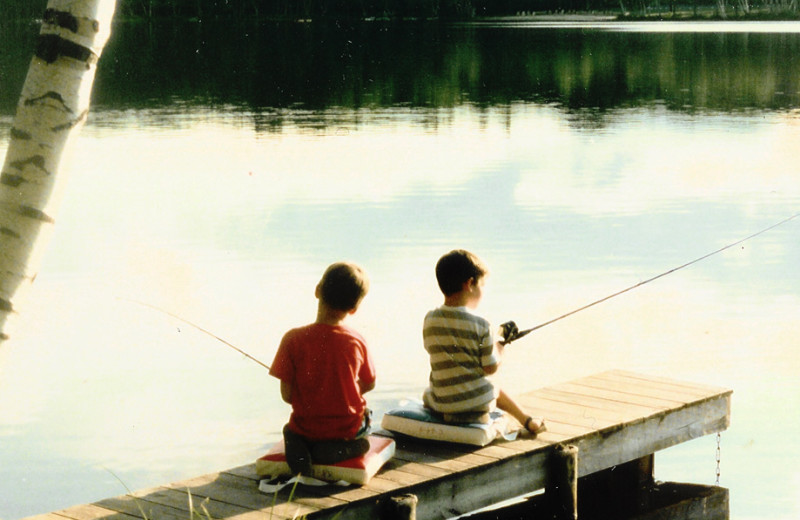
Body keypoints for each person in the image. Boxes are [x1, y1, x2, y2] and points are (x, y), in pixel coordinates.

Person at [422, 249, 546, 435]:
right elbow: (490, 368)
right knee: (491, 384)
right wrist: (500, 346)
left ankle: (526, 419)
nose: (483, 290)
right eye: (483, 284)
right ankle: (526, 419)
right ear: (470, 284)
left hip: (442, 405)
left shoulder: (430, 318)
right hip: (476, 405)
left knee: (429, 392)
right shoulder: (482, 324)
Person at [269, 262, 376, 476]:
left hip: (305, 429)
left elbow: (287, 395)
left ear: (317, 290)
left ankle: (301, 453)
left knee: (290, 431)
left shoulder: (292, 339)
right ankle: (344, 449)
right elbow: (369, 383)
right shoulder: (357, 340)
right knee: (366, 426)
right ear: (354, 309)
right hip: (346, 430)